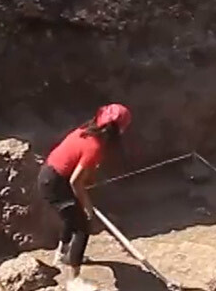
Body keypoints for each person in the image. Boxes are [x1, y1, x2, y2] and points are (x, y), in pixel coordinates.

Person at [37, 103, 132, 291]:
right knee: (83, 226)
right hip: (55, 183)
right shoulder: (95, 147)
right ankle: (74, 280)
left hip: (50, 176)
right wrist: (87, 206)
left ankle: (62, 255)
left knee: (70, 217)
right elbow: (76, 182)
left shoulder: (85, 130)